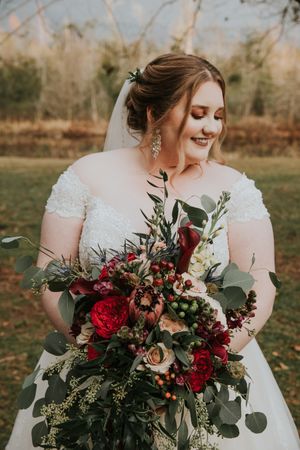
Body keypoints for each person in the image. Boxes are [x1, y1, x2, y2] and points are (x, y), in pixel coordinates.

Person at [6, 53, 300, 449]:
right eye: (198, 114)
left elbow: (261, 277)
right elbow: (50, 271)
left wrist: (209, 357)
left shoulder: (235, 188)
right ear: (153, 113)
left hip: (206, 376)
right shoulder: (87, 175)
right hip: (93, 368)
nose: (211, 127)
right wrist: (98, 349)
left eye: (218, 115)